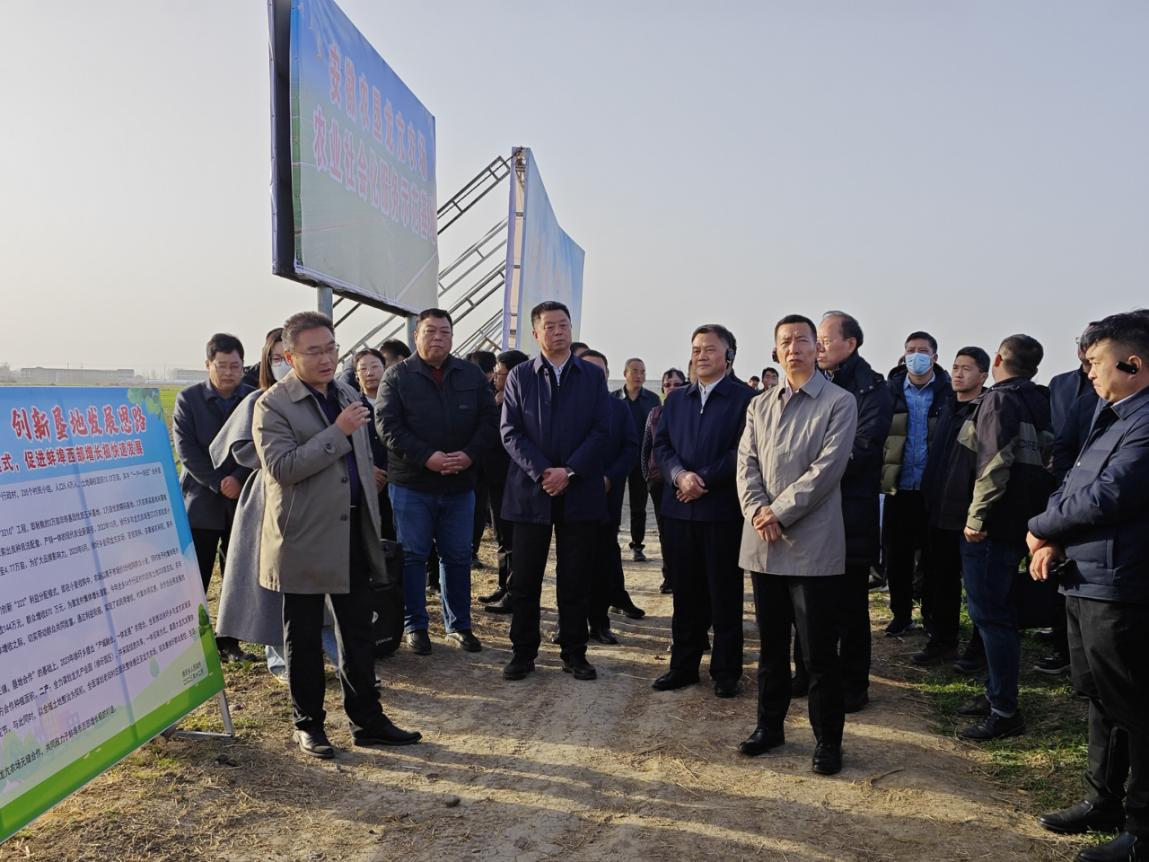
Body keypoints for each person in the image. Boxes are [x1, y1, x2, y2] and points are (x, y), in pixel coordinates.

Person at [253, 311, 420, 758]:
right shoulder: (273, 405)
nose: (326, 358)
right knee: (304, 637)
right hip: (304, 536)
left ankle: (368, 720)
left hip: (351, 530)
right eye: (314, 351)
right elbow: (282, 468)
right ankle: (308, 724)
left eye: (331, 348)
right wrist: (337, 432)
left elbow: (360, 462)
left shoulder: (345, 393)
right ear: (291, 357)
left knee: (358, 631)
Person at [1027, 311, 1149, 862]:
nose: (1089, 372)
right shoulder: (1112, 414)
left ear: (1133, 363)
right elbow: (1074, 481)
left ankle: (1141, 831)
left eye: (1097, 362)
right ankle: (1102, 800)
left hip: (1121, 582)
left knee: (1134, 708)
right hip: (1085, 575)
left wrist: (1039, 526)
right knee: (1101, 698)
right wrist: (1051, 534)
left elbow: (1113, 493)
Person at [736, 314, 858, 775]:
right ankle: (769, 727)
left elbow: (827, 470)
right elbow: (746, 463)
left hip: (812, 545)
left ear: (816, 348)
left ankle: (828, 740)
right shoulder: (759, 404)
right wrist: (757, 510)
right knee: (770, 648)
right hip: (764, 543)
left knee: (817, 652)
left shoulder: (839, 402)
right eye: (785, 341)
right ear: (776, 349)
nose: (794, 348)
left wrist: (778, 512)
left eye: (803, 340)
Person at [375, 309, 499, 656]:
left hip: (460, 483)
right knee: (413, 556)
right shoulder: (397, 376)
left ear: (452, 337)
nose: (438, 338)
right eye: (430, 331)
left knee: (457, 555)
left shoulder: (471, 374)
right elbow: (387, 426)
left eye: (445, 332)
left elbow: (490, 420)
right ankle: (415, 625)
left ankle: (459, 625)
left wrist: (470, 455)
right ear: (416, 335)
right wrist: (426, 456)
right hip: (412, 484)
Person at [500, 301, 611, 682]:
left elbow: (601, 429)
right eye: (550, 326)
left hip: (579, 490)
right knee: (525, 579)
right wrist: (543, 471)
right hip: (531, 491)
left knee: (575, 578)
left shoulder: (591, 376)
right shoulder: (520, 376)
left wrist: (570, 471)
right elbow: (510, 431)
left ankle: (574, 652)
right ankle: (523, 652)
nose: (558, 331)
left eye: (563, 325)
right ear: (536, 333)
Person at [955, 334, 1054, 742]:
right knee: (1001, 613)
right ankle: (995, 691)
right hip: (1023, 522)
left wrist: (976, 518)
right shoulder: (1041, 400)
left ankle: (1004, 710)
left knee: (992, 617)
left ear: (996, 359)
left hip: (992, 526)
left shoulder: (998, 400)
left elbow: (993, 464)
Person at [652, 324, 756, 698]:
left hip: (721, 511)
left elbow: (742, 451)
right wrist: (680, 476)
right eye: (696, 349)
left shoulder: (746, 399)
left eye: (710, 349)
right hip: (679, 510)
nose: (701, 355)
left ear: (729, 355)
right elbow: (661, 446)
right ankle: (683, 666)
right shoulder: (677, 399)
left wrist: (702, 479)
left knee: (724, 594)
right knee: (685, 594)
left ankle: (726, 671)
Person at [797, 311, 892, 712]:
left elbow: (863, 450)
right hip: (807, 508)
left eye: (825, 339)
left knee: (850, 605)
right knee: (805, 601)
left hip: (848, 510)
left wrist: (809, 470)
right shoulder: (810, 382)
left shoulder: (873, 389)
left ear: (850, 343)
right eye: (815, 339)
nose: (817, 347)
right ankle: (805, 673)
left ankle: (854, 683)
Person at [172, 332, 256, 663]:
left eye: (235, 366)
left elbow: (260, 443)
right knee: (198, 574)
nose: (229, 372)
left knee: (235, 573)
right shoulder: (189, 399)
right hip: (202, 499)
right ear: (207, 364)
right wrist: (219, 481)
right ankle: (192, 642)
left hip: (241, 499)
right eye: (221, 365)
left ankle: (229, 641)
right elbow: (187, 450)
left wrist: (238, 477)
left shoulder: (253, 398)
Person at [915, 346, 990, 667]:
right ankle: (943, 642)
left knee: (977, 588)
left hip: (969, 514)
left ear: (983, 375)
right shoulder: (948, 406)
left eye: (967, 369)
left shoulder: (986, 409)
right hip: (939, 510)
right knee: (941, 582)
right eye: (956, 367)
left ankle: (980, 648)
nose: (958, 373)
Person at [1035, 323, 1100, 677]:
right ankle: (1062, 641)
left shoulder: (1116, 397)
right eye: (1082, 341)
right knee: (1057, 567)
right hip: (1061, 483)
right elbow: (1054, 436)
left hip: (1093, 492)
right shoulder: (1059, 384)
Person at [880, 331, 952, 635]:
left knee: (933, 558)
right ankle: (901, 614)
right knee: (897, 556)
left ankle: (932, 615)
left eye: (923, 350)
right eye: (911, 350)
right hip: (897, 487)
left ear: (934, 357)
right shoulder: (890, 392)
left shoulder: (948, 392)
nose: (916, 356)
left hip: (933, 491)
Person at [581, 350, 642, 643]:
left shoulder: (619, 408)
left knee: (603, 561)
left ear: (607, 374)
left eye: (600, 370)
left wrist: (610, 477)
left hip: (606, 496)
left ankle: (599, 623)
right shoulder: (564, 406)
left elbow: (630, 448)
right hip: (571, 496)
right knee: (572, 565)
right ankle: (570, 625)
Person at [480, 349, 530, 613]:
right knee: (502, 536)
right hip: (496, 479)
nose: (495, 378)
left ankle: (514, 592)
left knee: (514, 540)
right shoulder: (493, 398)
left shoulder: (526, 402)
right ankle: (504, 585)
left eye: (500, 373)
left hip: (516, 480)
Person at [641, 368, 687, 594]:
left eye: (677, 384)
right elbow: (646, 447)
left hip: (682, 482)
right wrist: (647, 476)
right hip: (658, 481)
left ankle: (684, 576)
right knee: (664, 531)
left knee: (683, 532)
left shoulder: (690, 411)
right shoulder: (655, 413)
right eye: (668, 385)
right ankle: (669, 577)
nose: (672, 388)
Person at [612, 358, 661, 563]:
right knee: (613, 503)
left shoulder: (652, 399)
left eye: (643, 371)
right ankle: (610, 543)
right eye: (634, 371)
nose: (639, 375)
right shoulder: (613, 398)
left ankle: (637, 545)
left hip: (641, 459)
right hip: (617, 458)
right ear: (625, 373)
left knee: (638, 506)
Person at [467, 350, 499, 568]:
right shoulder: (467, 390)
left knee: (478, 508)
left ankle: (472, 550)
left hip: (481, 462)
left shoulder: (497, 391)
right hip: (468, 461)